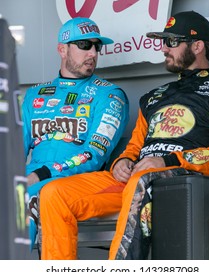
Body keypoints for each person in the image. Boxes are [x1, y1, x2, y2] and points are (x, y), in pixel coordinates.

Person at [39, 11, 209, 260]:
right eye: (163, 41)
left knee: (141, 178)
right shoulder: (153, 96)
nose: (164, 48)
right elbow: (134, 146)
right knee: (53, 193)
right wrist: (122, 162)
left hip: (175, 179)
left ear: (197, 46)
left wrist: (167, 161)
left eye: (172, 42)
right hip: (134, 180)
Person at [22, 17, 129, 251]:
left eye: (96, 46)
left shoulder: (110, 95)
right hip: (32, 176)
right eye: (84, 45)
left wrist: (41, 174)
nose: (92, 53)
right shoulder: (34, 95)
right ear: (62, 49)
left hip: (74, 180)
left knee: (25, 196)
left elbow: (94, 155)